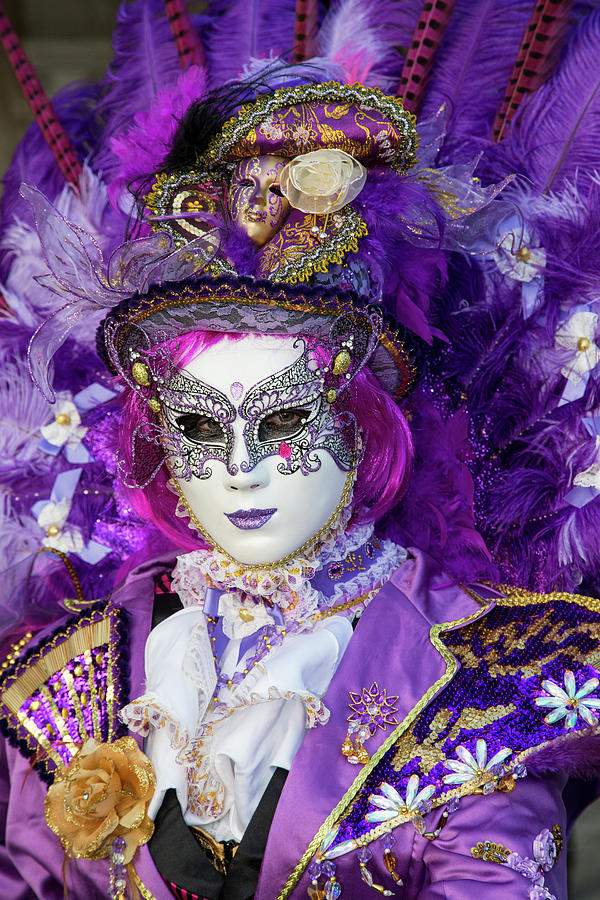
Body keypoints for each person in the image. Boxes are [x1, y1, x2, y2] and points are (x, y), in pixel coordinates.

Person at [2, 3, 600, 899]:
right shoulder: (70, 678)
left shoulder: (477, 679)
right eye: (200, 427)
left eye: (281, 421)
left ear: (360, 431)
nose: (239, 464)